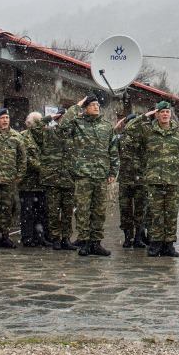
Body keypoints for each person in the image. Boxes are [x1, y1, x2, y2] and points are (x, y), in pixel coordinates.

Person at [125, 101, 179, 257]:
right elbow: (128, 128)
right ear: (156, 114)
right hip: (154, 180)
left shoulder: (178, 133)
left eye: (167, 112)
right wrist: (143, 116)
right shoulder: (148, 131)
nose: (165, 114)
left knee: (171, 214)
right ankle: (155, 243)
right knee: (155, 214)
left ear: (170, 114)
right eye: (162, 112)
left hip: (173, 180)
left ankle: (168, 245)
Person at [60, 95, 118, 257]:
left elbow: (113, 150)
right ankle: (84, 241)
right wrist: (76, 107)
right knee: (83, 210)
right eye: (92, 105)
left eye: (97, 104)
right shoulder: (77, 124)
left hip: (101, 175)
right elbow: (62, 127)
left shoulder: (107, 126)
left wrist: (113, 172)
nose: (96, 107)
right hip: (83, 175)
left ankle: (96, 243)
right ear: (85, 108)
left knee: (99, 211)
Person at [0, 108, 26, 248]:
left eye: (7, 118)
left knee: (7, 209)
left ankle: (5, 235)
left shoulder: (16, 136)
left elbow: (22, 159)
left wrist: (19, 176)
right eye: (2, 118)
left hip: (9, 179)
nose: (5, 120)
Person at [42, 110, 78, 250]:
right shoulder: (50, 133)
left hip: (69, 179)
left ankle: (66, 238)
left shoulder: (74, 135)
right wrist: (49, 117)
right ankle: (55, 238)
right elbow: (35, 127)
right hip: (53, 179)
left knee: (68, 212)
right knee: (53, 212)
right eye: (63, 118)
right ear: (58, 119)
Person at [115, 113, 147, 248]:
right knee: (125, 210)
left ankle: (139, 237)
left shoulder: (145, 137)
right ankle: (128, 237)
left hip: (141, 179)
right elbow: (109, 142)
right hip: (125, 179)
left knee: (141, 210)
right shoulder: (121, 138)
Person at [19, 112, 47, 247]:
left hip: (42, 182)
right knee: (27, 211)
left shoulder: (45, 137)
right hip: (28, 182)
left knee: (41, 212)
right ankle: (27, 237)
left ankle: (40, 237)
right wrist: (42, 167)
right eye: (32, 123)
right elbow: (26, 158)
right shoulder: (23, 136)